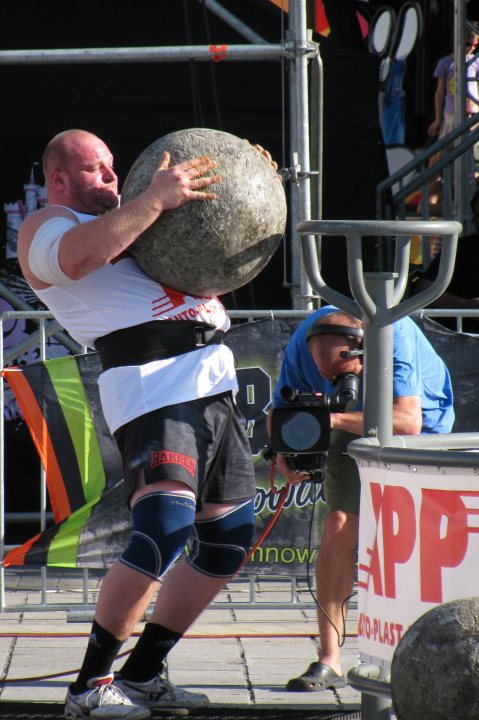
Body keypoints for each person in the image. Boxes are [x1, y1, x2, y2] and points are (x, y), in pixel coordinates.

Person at [17, 129, 261, 720]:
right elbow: (78, 258)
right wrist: (154, 198)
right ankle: (89, 686)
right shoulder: (46, 227)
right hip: (153, 387)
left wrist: (246, 183)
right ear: (59, 179)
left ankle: (145, 674)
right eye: (95, 170)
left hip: (212, 381)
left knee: (227, 538)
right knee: (164, 529)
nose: (109, 177)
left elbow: (217, 240)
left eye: (111, 168)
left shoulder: (137, 219)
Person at [269, 306, 454, 692]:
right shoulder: (303, 341)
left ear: (362, 352)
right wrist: (284, 443)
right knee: (338, 526)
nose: (330, 384)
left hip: (423, 431)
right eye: (323, 376)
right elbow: (280, 412)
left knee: (410, 540)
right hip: (351, 426)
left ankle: (423, 649)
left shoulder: (393, 334)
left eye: (339, 377)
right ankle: (329, 659)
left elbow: (408, 421)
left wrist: (331, 420)